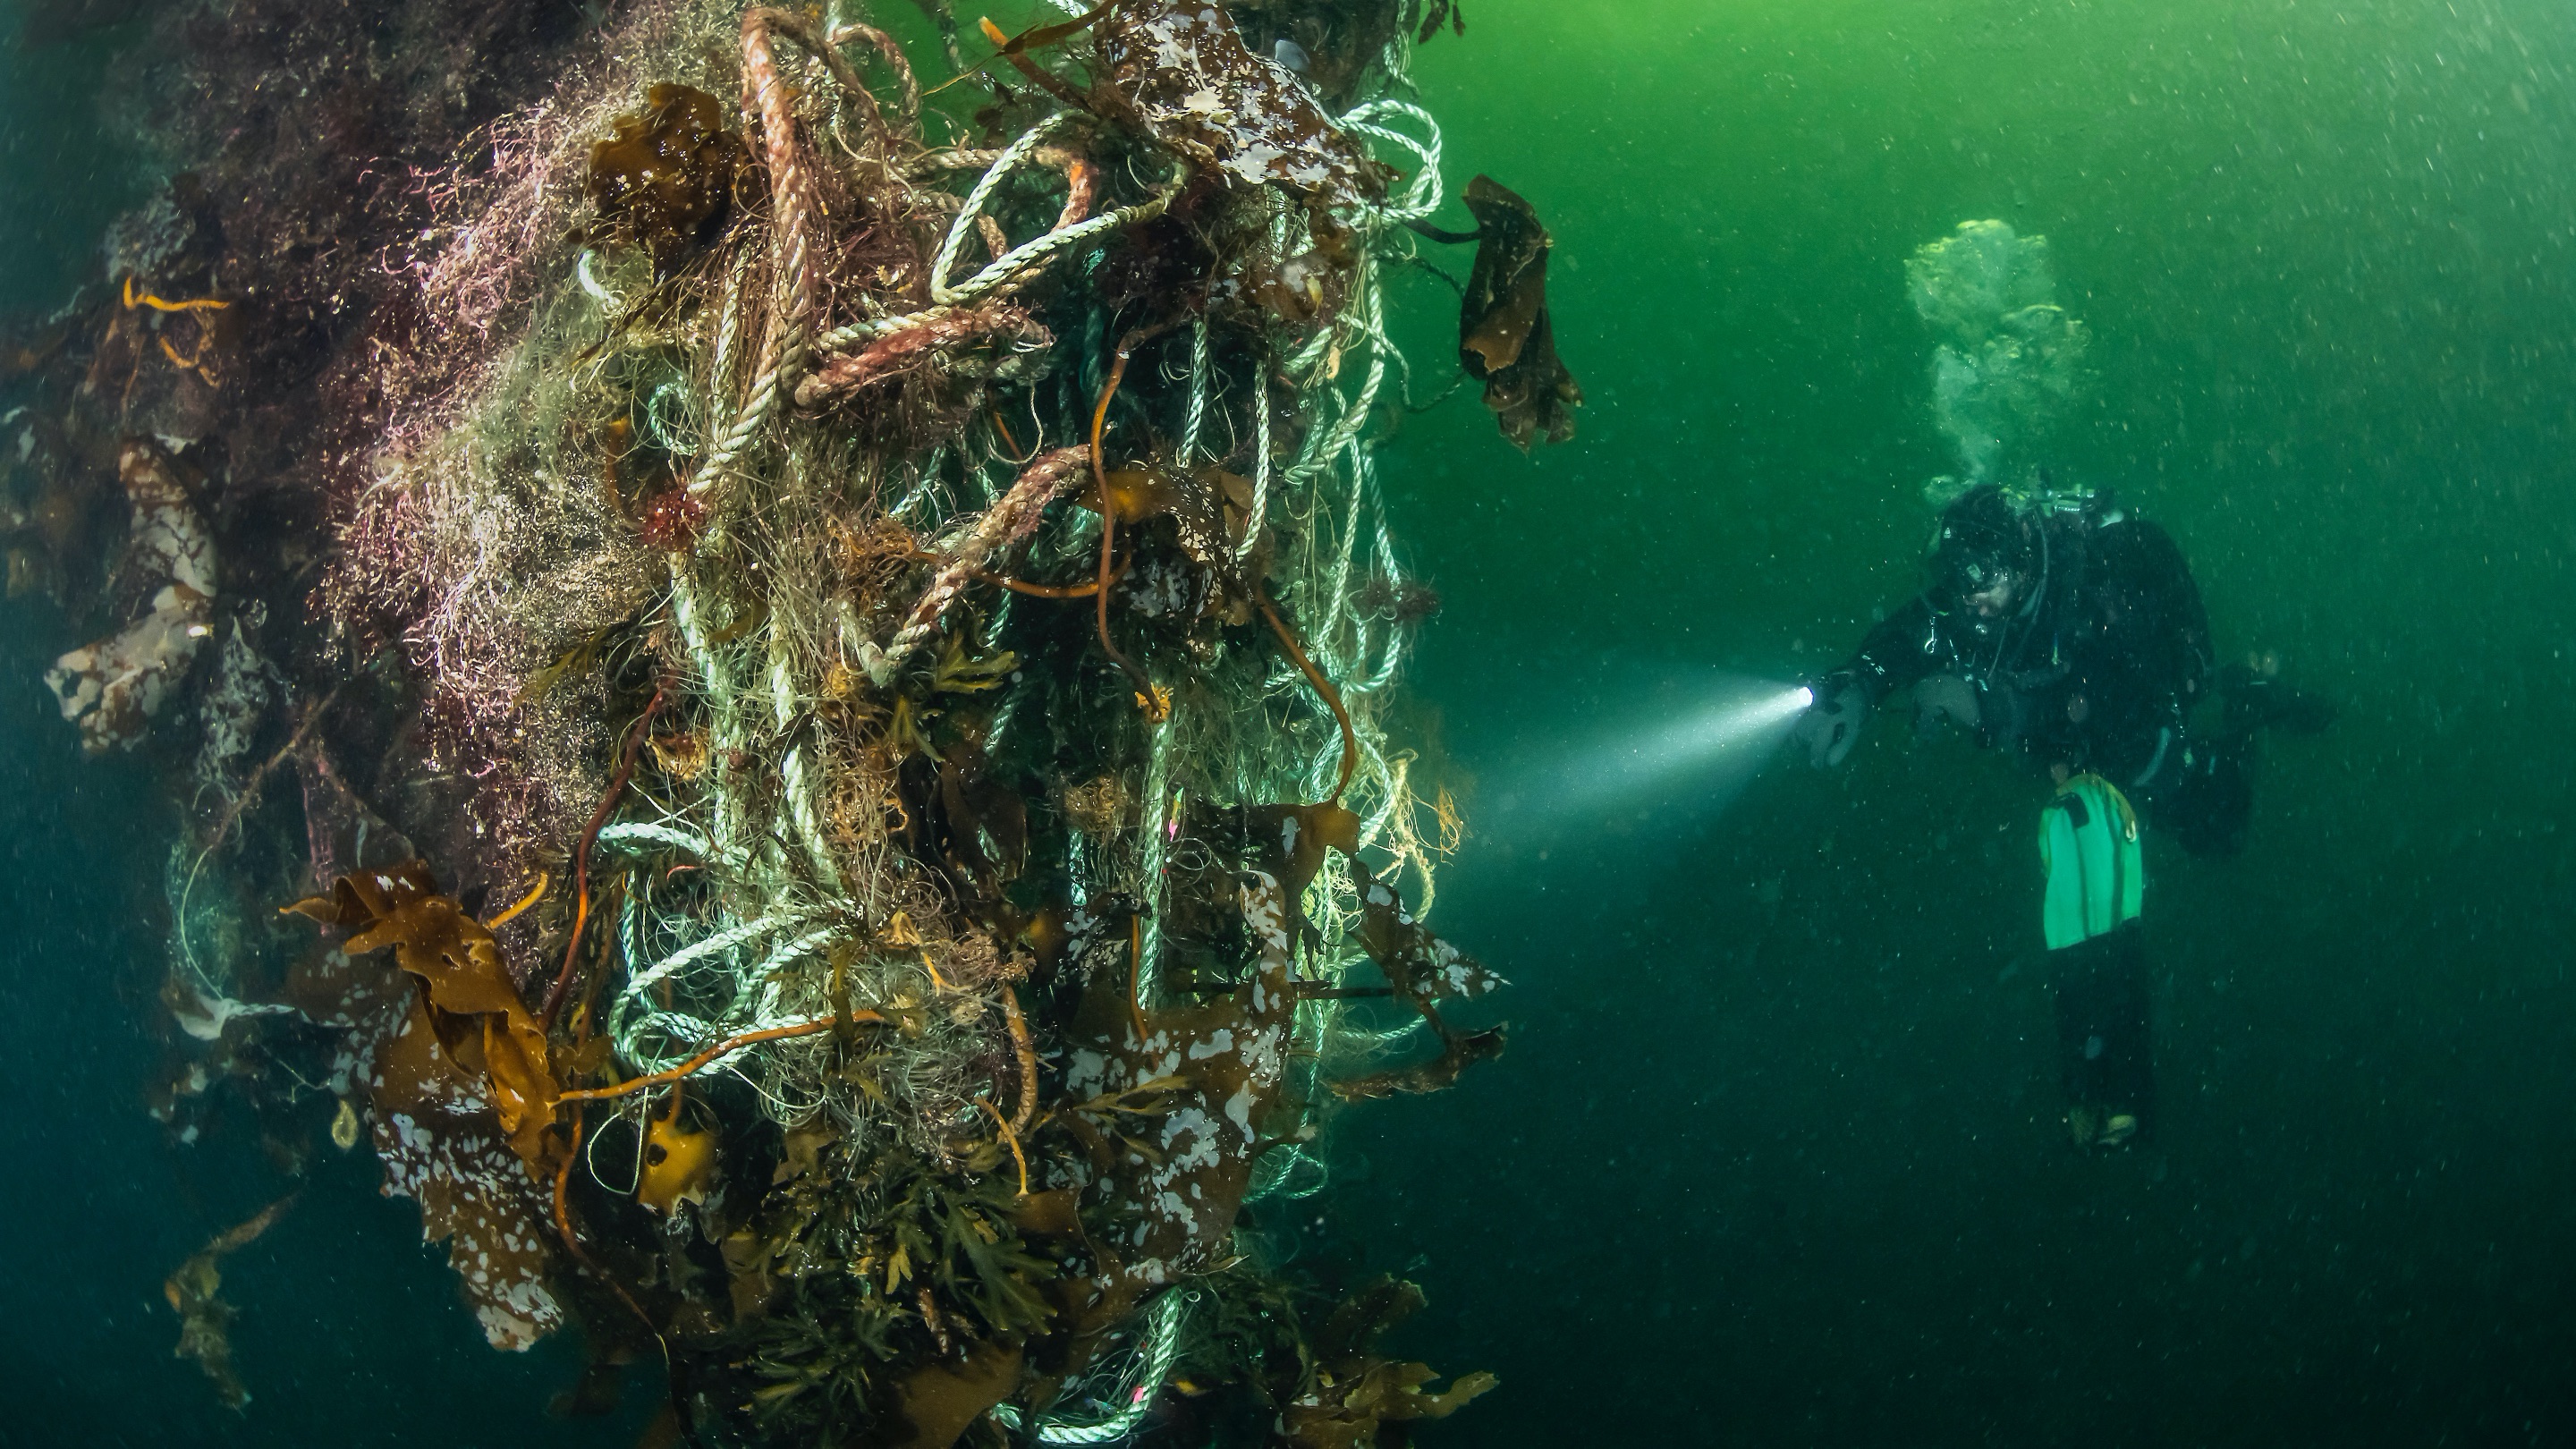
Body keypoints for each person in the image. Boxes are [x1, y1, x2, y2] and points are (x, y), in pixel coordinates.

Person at [1792, 481, 2328, 1150]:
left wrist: (1990, 708)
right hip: (2073, 751)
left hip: (2138, 721)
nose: (1972, 598)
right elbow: (1916, 630)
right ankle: (2102, 1086)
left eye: (1985, 579)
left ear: (2022, 561)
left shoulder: (2094, 588)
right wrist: (1861, 683)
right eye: (1960, 580)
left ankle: (2247, 704)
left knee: (2220, 832)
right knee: (2081, 861)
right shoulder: (1977, 598)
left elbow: (2113, 700)